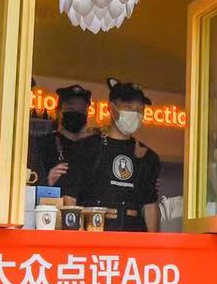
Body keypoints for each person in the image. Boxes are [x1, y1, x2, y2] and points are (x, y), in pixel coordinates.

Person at [67, 78, 162, 232]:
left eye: (140, 110)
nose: (135, 114)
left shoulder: (148, 156)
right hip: (94, 232)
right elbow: (70, 197)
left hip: (134, 234)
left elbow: (150, 205)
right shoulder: (86, 147)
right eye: (128, 107)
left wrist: (152, 242)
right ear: (111, 108)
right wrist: (76, 234)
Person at [29, 84, 97, 195]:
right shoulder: (43, 144)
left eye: (81, 110)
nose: (76, 113)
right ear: (58, 111)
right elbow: (31, 185)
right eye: (70, 109)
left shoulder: (93, 148)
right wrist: (47, 182)